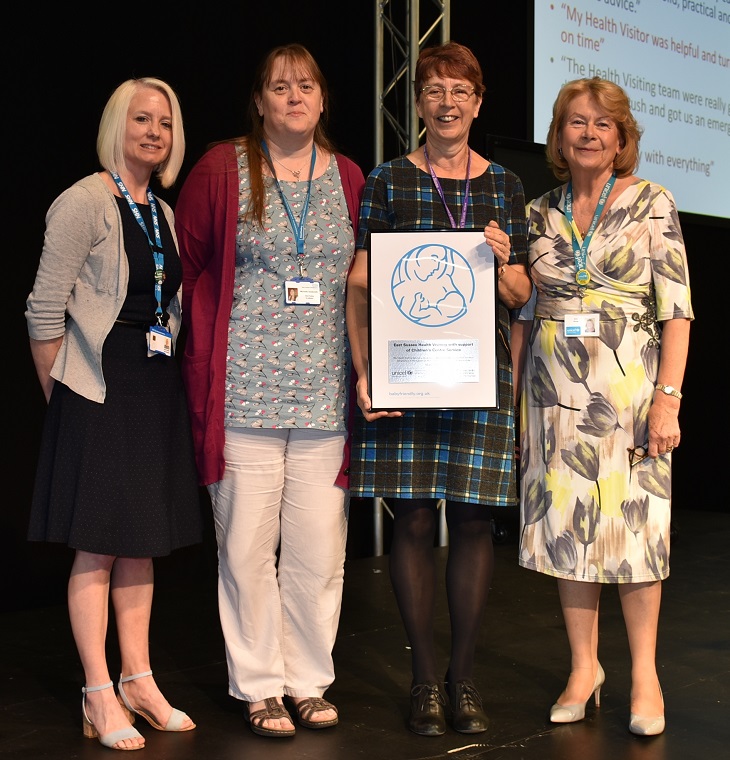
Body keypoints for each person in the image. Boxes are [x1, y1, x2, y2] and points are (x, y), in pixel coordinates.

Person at [174, 44, 365, 738]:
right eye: (279, 87)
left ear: (321, 99)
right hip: (245, 393)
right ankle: (259, 686)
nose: (294, 96)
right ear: (258, 101)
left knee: (319, 551)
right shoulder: (222, 168)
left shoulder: (348, 176)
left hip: (324, 396)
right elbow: (193, 260)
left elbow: (360, 282)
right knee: (247, 549)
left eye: (306, 85)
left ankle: (308, 681)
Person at [346, 41, 532, 736]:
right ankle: (424, 680)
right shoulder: (388, 179)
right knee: (416, 518)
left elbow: (519, 296)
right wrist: (364, 371)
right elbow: (361, 283)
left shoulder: (507, 186)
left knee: (476, 521)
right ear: (418, 102)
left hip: (480, 377)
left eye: (460, 91)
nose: (447, 102)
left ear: (478, 103)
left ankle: (465, 678)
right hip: (408, 373)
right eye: (434, 90)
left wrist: (507, 261)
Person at [25, 77, 202, 751]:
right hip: (97, 386)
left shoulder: (162, 210)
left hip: (153, 386)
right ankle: (98, 692)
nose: (153, 132)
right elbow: (44, 311)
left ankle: (140, 679)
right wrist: (63, 393)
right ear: (116, 126)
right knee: (97, 544)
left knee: (142, 540)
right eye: (141, 120)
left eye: (164, 122)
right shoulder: (83, 201)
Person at [512, 76, 693, 736]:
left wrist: (667, 401)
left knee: (633, 532)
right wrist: (517, 403)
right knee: (568, 531)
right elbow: (526, 315)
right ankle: (584, 667)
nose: (587, 134)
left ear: (622, 139)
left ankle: (645, 675)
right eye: (575, 123)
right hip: (554, 396)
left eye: (601, 124)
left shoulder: (653, 203)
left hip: (630, 398)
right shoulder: (539, 213)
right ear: (559, 136)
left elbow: (677, 312)